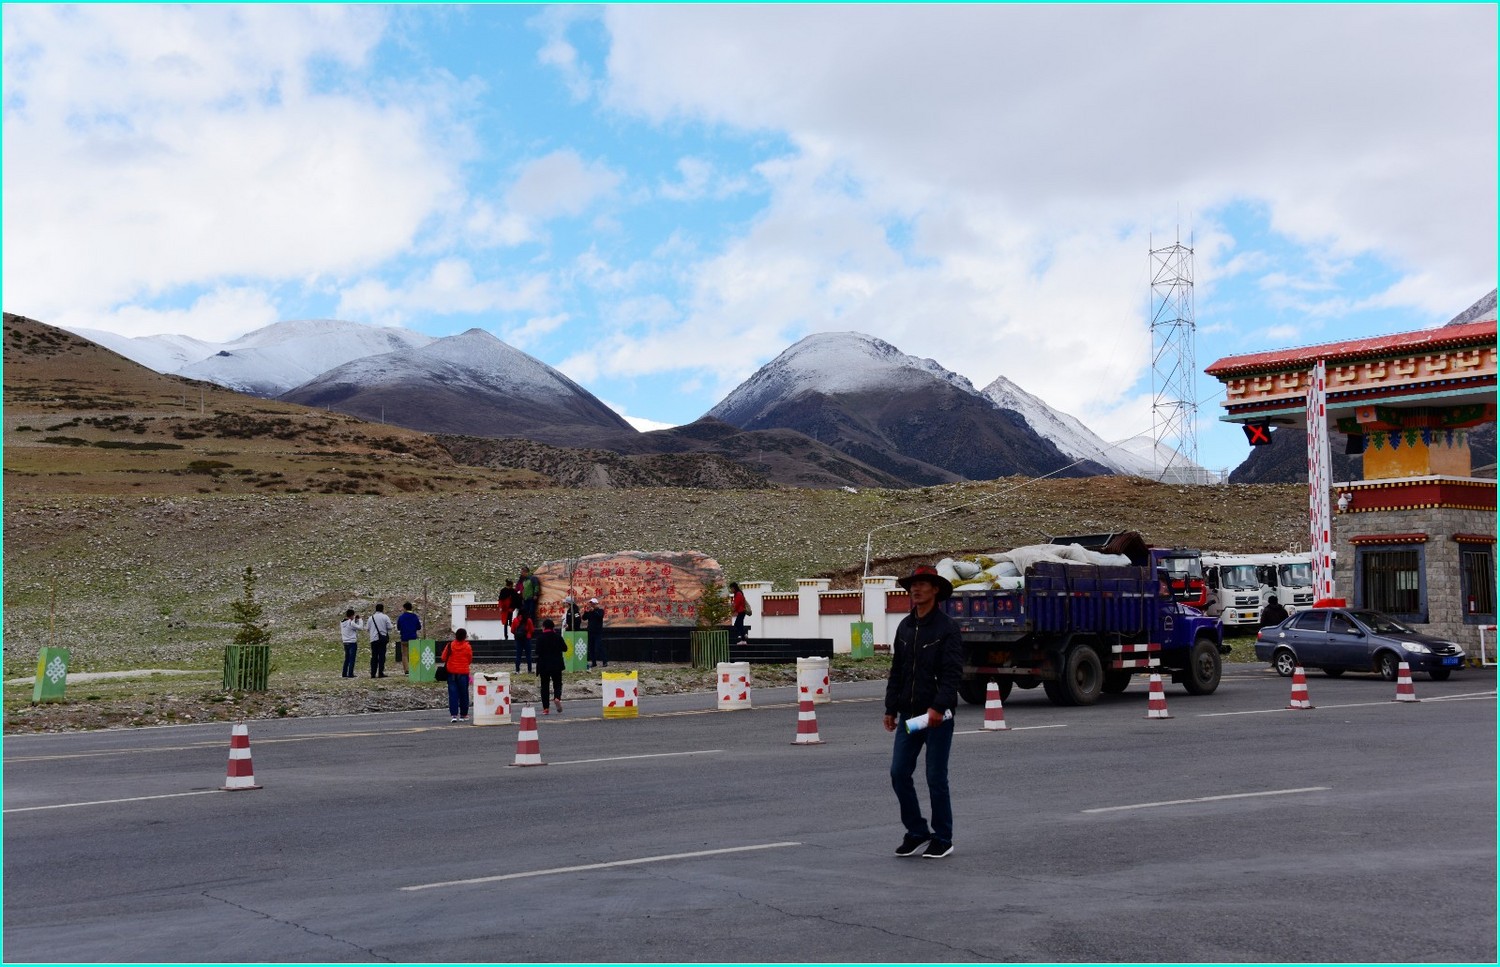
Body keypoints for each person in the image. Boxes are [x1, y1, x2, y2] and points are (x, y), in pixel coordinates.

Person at [884, 565, 963, 860]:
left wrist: (938, 707)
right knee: (898, 773)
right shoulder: (905, 626)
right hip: (911, 717)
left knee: (935, 777)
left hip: (938, 718)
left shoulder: (947, 628)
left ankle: (943, 838)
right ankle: (917, 831)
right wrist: (891, 708)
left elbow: (952, 674)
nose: (915, 590)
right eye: (912, 585)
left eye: (923, 585)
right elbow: (897, 672)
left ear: (936, 590)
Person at [535, 618, 567, 715]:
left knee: (544, 687)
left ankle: (546, 708)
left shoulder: (540, 638)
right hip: (556, 665)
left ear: (544, 627)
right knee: (557, 683)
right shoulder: (558, 637)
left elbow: (537, 652)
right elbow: (565, 648)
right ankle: (557, 697)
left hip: (544, 665)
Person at [441, 628, 473, 723]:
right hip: (463, 673)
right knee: (464, 694)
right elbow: (470, 660)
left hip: (451, 673)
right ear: (464, 636)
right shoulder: (467, 647)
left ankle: (454, 715)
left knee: (453, 695)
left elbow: (443, 657)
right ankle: (463, 715)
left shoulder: (450, 645)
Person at [395, 601, 422, 675]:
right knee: (414, 654)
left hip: (404, 638)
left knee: (404, 655)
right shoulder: (415, 616)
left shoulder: (401, 617)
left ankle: (406, 670)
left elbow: (398, 627)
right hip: (413, 637)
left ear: (404, 608)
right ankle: (414, 669)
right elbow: (419, 627)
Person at [367, 602, 393, 678]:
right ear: (382, 609)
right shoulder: (385, 617)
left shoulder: (370, 618)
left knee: (374, 656)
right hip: (382, 639)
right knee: (382, 656)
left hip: (373, 639)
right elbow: (390, 627)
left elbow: (367, 629)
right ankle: (380, 672)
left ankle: (373, 673)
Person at [339, 609, 365, 678]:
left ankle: (344, 673)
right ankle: (350, 673)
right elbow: (360, 628)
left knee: (347, 658)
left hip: (345, 642)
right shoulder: (351, 622)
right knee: (352, 659)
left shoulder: (342, 622)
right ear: (351, 615)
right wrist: (360, 620)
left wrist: (354, 620)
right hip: (352, 642)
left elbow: (350, 627)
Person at [582, 597, 606, 668]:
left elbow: (600, 617)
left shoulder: (600, 611)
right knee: (591, 648)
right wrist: (586, 611)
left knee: (598, 647)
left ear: (596, 604)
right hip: (590, 632)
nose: (591, 605)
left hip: (598, 632)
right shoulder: (590, 611)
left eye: (593, 604)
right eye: (591, 604)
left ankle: (604, 661)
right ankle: (594, 662)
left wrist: (594, 611)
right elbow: (584, 618)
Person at [511, 610, 535, 674]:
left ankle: (517, 670)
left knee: (518, 655)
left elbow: (512, 630)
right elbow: (532, 630)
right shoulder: (528, 620)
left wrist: (517, 634)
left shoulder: (515, 620)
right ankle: (529, 670)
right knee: (528, 655)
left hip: (518, 640)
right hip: (527, 639)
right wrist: (528, 633)